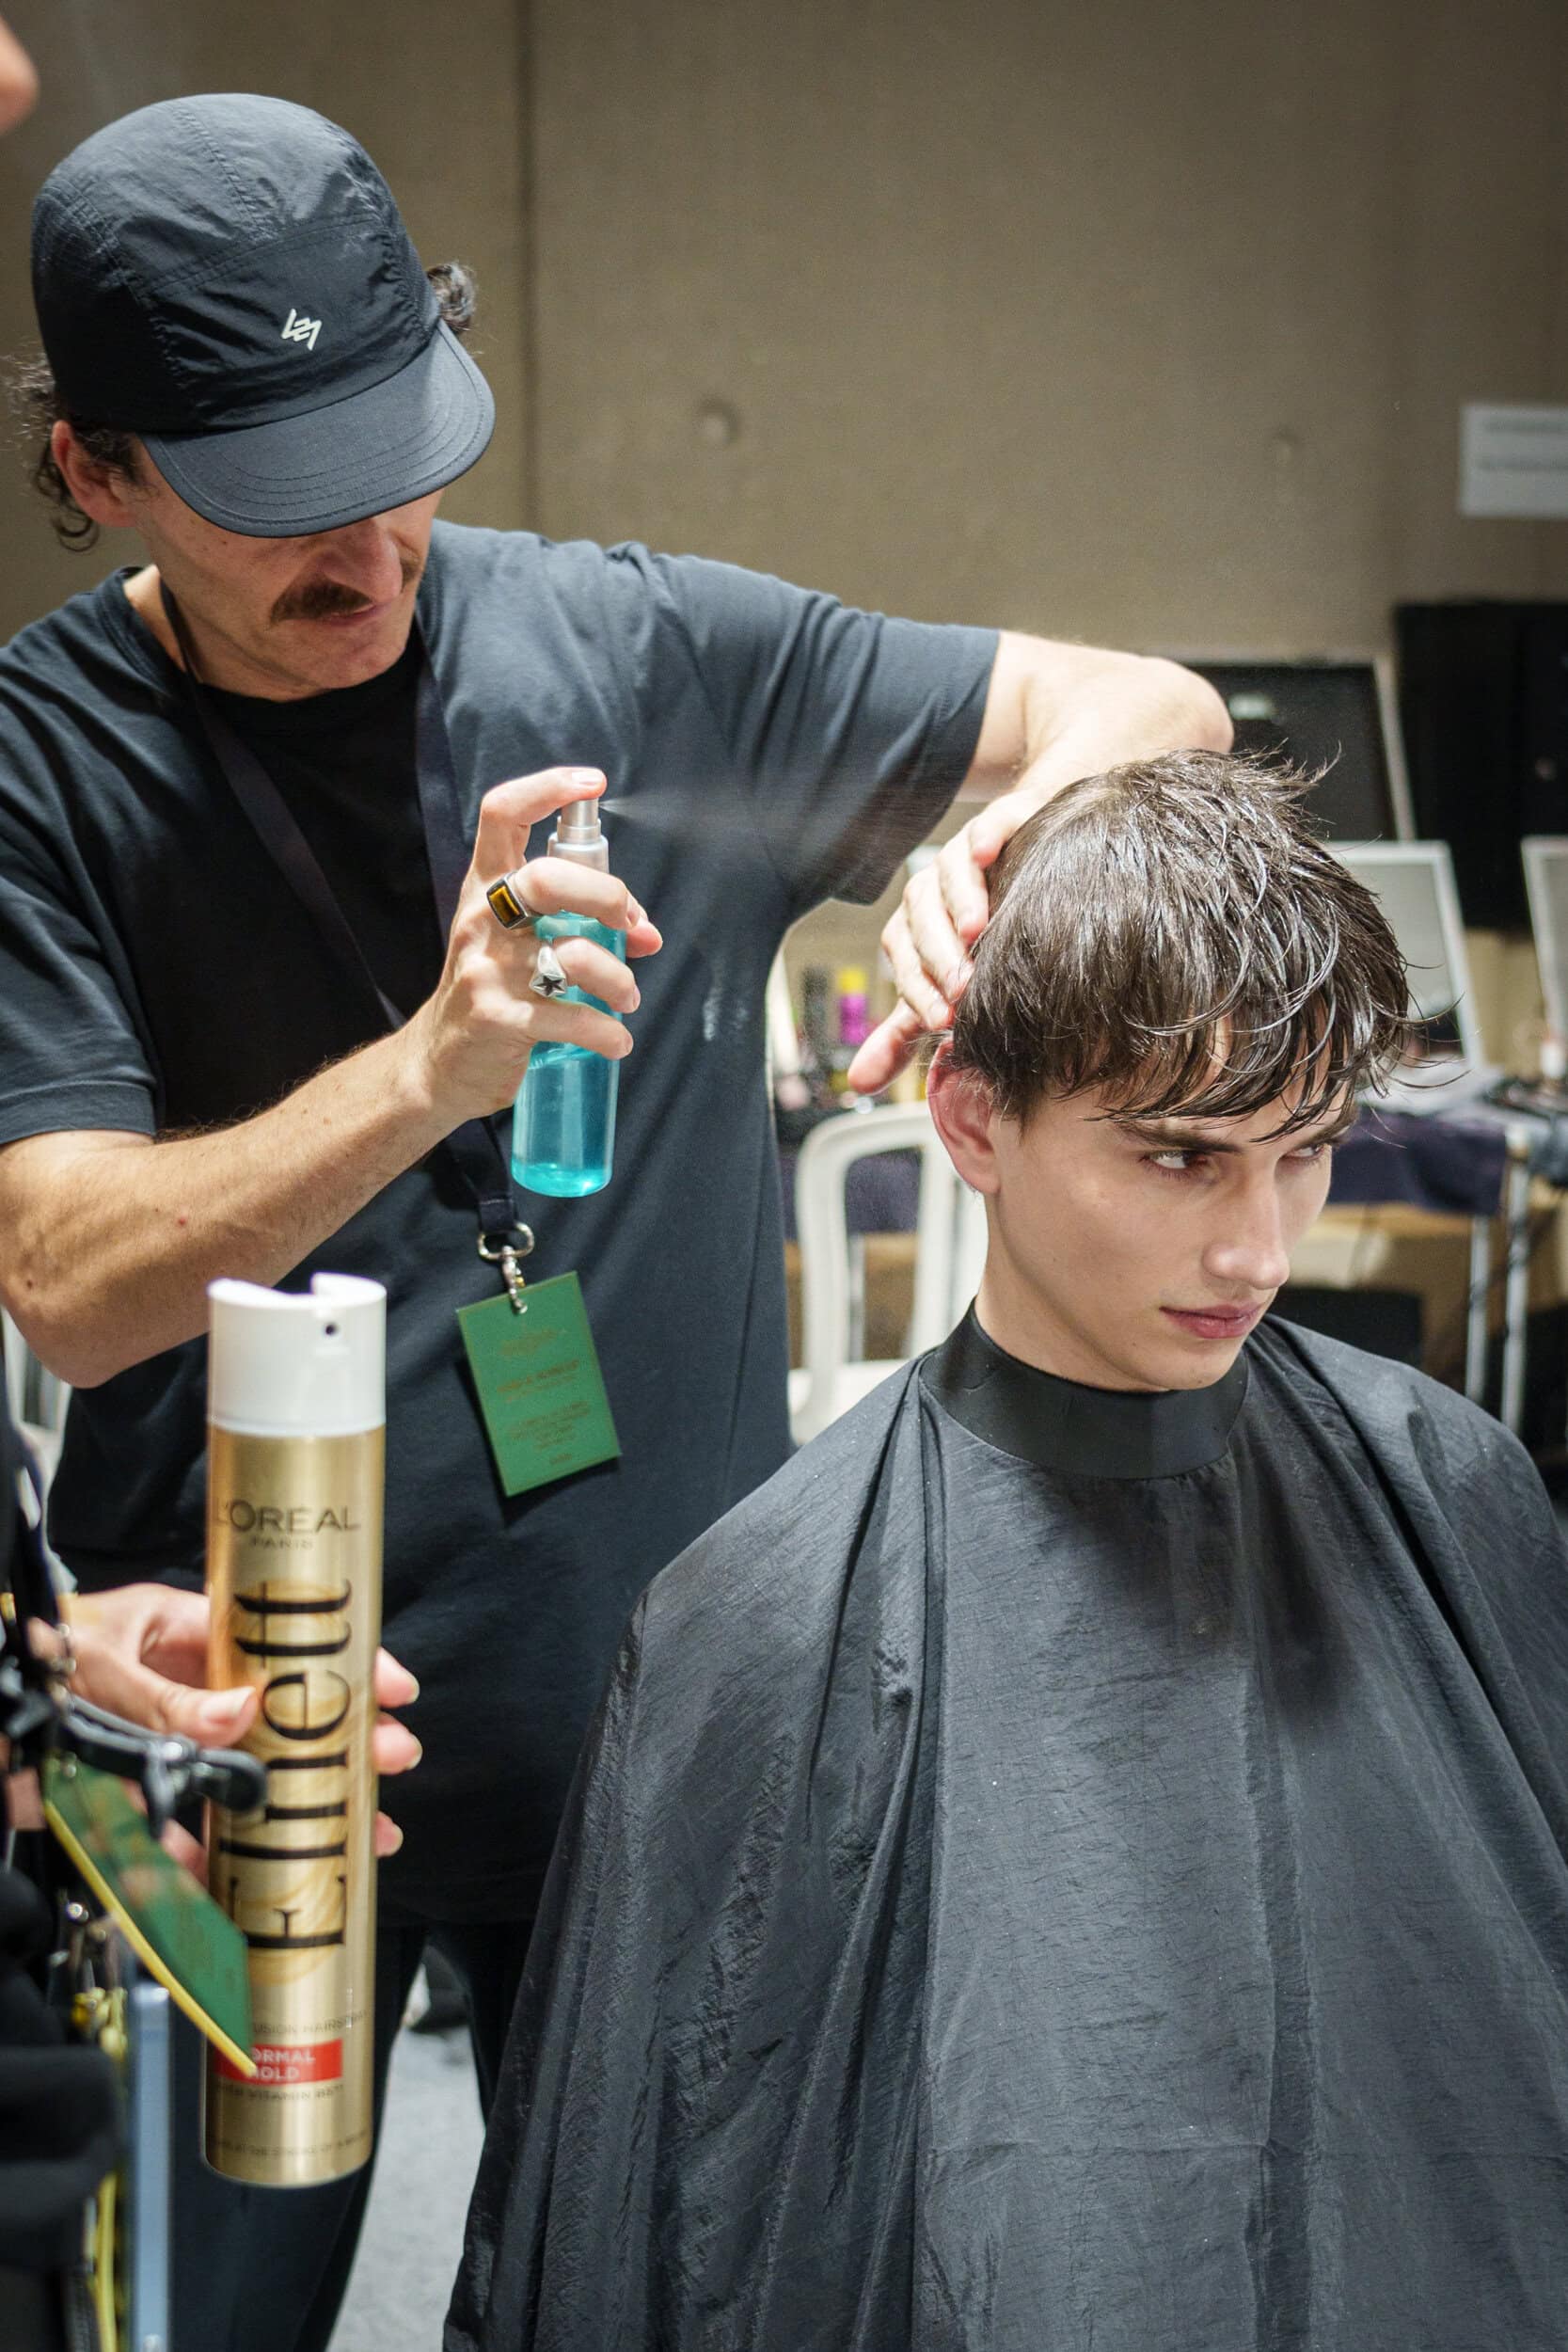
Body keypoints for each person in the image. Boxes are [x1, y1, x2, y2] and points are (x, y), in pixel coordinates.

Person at [0, 90, 1227, 2349]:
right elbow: (68, 1283)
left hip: (663, 1720)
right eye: (276, 512)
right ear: (92, 472)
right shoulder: (41, 763)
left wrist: (1011, 834)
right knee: (183, 2304)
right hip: (249, 1732)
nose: (365, 553)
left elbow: (1148, 699)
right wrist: (430, 1068)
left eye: (398, 464)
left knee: (657, 2294)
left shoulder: (641, 648)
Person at [449, 752, 1568, 2352]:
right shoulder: (760, 1615)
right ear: (973, 1117)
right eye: (1181, 1155)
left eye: (1303, 1150)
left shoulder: (1451, 1493)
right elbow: (638, 2233)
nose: (1259, 1248)